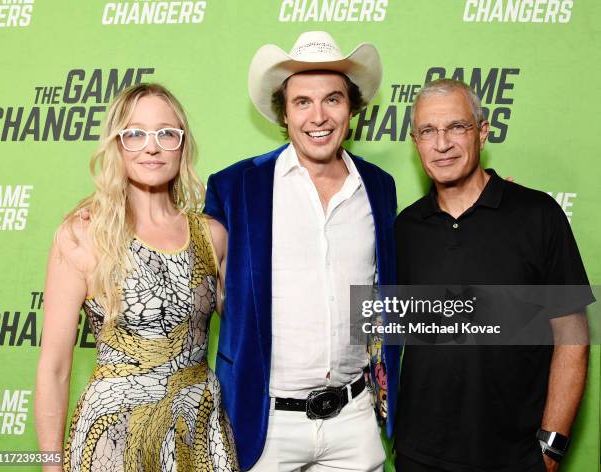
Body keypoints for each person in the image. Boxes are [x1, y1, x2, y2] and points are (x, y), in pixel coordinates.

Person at [203, 31, 400, 471]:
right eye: (302, 102)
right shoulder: (235, 187)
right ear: (284, 113)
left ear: (351, 109)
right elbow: (187, 265)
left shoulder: (379, 188)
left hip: (354, 420)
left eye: (332, 99)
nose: (319, 116)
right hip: (265, 423)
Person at [35, 83, 239, 472]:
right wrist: (50, 466)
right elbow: (55, 367)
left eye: (166, 133)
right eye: (135, 134)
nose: (152, 146)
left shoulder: (211, 235)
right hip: (112, 437)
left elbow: (248, 336)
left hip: (198, 433)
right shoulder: (83, 234)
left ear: (182, 145)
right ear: (117, 145)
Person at [393, 78, 594, 472]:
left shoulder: (538, 215)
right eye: (428, 131)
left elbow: (573, 337)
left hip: (515, 457)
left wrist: (551, 448)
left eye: (457, 127)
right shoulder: (403, 228)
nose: (442, 143)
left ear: (482, 132)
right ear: (416, 141)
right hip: (419, 456)